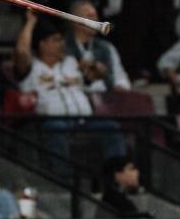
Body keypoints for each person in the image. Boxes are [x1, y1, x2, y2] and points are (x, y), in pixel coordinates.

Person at [14, 11, 125, 161]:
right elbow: (21, 51)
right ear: (42, 44)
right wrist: (30, 22)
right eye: (56, 40)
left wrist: (96, 69)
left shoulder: (71, 62)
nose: (62, 44)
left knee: (111, 126)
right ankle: (62, 178)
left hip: (84, 120)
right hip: (52, 122)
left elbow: (99, 76)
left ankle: (118, 172)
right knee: (56, 128)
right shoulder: (31, 68)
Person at [64, 0, 130, 93]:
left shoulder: (106, 47)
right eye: (90, 16)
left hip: (105, 102)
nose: (96, 21)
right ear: (75, 21)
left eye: (96, 16)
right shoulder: (63, 48)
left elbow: (120, 78)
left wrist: (113, 82)